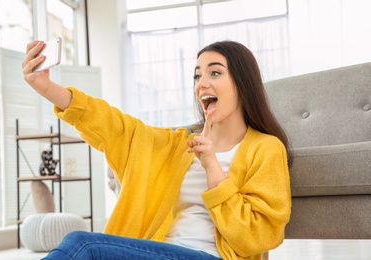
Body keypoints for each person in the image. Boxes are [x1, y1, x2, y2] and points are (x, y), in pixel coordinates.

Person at [21, 40, 292, 260]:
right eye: (197, 75)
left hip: (210, 256)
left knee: (82, 245)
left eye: (215, 72)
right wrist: (46, 87)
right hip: (157, 251)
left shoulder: (265, 148)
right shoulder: (175, 146)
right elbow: (112, 126)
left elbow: (257, 236)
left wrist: (211, 164)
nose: (201, 83)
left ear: (242, 84)